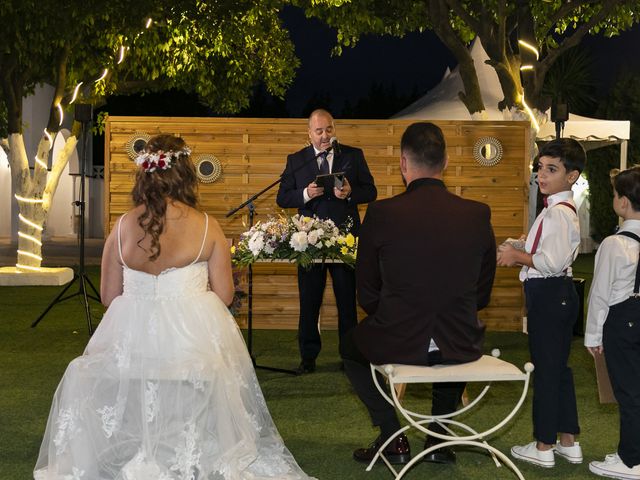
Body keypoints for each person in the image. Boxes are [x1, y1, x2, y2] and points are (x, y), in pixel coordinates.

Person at [34, 135, 315, 480]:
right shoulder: (207, 226)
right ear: (185, 174)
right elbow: (225, 296)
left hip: (134, 344)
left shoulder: (121, 227)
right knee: (215, 367)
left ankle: (144, 445)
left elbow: (109, 297)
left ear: (144, 175)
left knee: (88, 369)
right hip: (190, 345)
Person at [341, 122, 497, 466]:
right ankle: (439, 438)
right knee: (448, 337)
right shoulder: (477, 214)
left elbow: (365, 290)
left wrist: (391, 315)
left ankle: (392, 436)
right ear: (445, 163)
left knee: (349, 346)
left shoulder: (381, 213)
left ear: (403, 163)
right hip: (460, 339)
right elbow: (482, 292)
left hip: (398, 336)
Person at [498, 138, 586, 468]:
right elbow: (547, 247)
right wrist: (520, 243)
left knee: (547, 372)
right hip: (556, 295)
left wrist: (515, 255)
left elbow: (549, 262)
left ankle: (543, 446)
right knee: (558, 369)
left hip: (550, 294)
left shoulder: (560, 213)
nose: (542, 175)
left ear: (572, 176)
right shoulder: (555, 210)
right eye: (540, 168)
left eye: (552, 169)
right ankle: (567, 441)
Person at [276, 109, 377, 374]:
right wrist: (306, 194)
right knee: (309, 301)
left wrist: (351, 193)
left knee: (347, 302)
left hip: (344, 242)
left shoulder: (353, 155)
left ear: (334, 129)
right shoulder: (296, 160)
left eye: (329, 129)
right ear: (309, 133)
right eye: (319, 131)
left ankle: (350, 357)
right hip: (308, 242)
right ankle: (308, 358)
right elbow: (283, 197)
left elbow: (372, 190)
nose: (324, 136)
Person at [585, 166, 640, 480]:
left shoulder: (613, 244)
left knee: (629, 393)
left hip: (621, 320)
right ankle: (629, 451)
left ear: (622, 203)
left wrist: (593, 336)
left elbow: (600, 294)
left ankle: (631, 461)